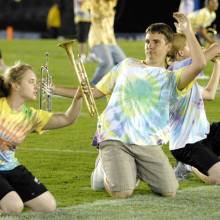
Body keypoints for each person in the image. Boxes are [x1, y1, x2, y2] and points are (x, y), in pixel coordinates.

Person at [52, 12, 206, 198]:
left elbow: (199, 63)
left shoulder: (173, 78)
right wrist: (53, 89)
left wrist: (188, 30)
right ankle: (103, 169)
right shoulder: (127, 65)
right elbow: (94, 92)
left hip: (147, 142)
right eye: (147, 41)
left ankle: (129, 168)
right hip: (115, 135)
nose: (150, 46)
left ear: (168, 46)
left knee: (169, 190)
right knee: (123, 192)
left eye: (156, 42)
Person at [0, 62, 82, 215]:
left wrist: (78, 97)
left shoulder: (31, 116)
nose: (36, 86)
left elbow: (66, 118)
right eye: (31, 82)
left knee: (48, 206)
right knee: (14, 207)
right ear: (15, 86)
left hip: (11, 167)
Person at [168, 33, 220, 184]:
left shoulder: (187, 76)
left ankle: (199, 163)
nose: (196, 48)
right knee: (218, 177)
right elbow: (215, 47)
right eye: (191, 46)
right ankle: (190, 166)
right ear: (180, 53)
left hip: (204, 135)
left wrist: (217, 64)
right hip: (187, 144)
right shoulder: (175, 71)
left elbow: (209, 94)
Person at [87, 0, 126, 85]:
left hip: (110, 40)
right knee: (107, 63)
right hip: (98, 40)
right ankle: (89, 88)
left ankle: (115, 88)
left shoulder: (111, 4)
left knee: (124, 63)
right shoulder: (95, 4)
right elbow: (97, 15)